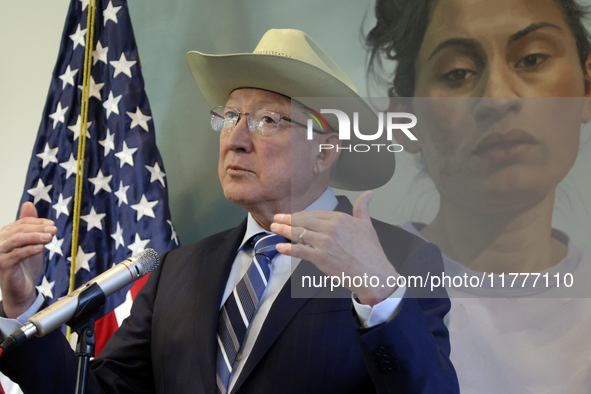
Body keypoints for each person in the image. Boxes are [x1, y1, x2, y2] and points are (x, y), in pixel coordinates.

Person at [0, 29, 459, 393]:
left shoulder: (400, 261)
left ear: (325, 150)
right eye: (230, 116)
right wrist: (21, 305)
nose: (235, 139)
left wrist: (378, 291)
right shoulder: (176, 270)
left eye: (267, 121)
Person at [367, 0, 591, 392]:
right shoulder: (344, 293)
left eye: (533, 59)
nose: (498, 98)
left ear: (586, 88)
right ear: (404, 120)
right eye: (457, 73)